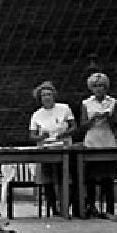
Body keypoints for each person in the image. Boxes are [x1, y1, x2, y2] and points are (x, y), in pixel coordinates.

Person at [28, 80, 76, 217]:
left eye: (49, 94)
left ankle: (66, 206)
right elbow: (32, 135)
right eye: (43, 95)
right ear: (40, 98)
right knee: (48, 179)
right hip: (46, 149)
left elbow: (74, 127)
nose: (47, 97)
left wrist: (65, 133)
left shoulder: (64, 108)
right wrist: (40, 137)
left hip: (64, 147)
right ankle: (53, 208)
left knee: (65, 177)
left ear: (54, 95)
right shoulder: (37, 115)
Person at [80, 71, 117, 217]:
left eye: (101, 86)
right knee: (90, 178)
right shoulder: (86, 103)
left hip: (107, 140)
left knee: (107, 178)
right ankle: (91, 207)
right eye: (96, 86)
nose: (99, 89)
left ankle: (109, 209)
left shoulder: (112, 101)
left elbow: (116, 123)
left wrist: (109, 116)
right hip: (92, 141)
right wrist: (93, 119)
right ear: (91, 87)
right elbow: (82, 126)